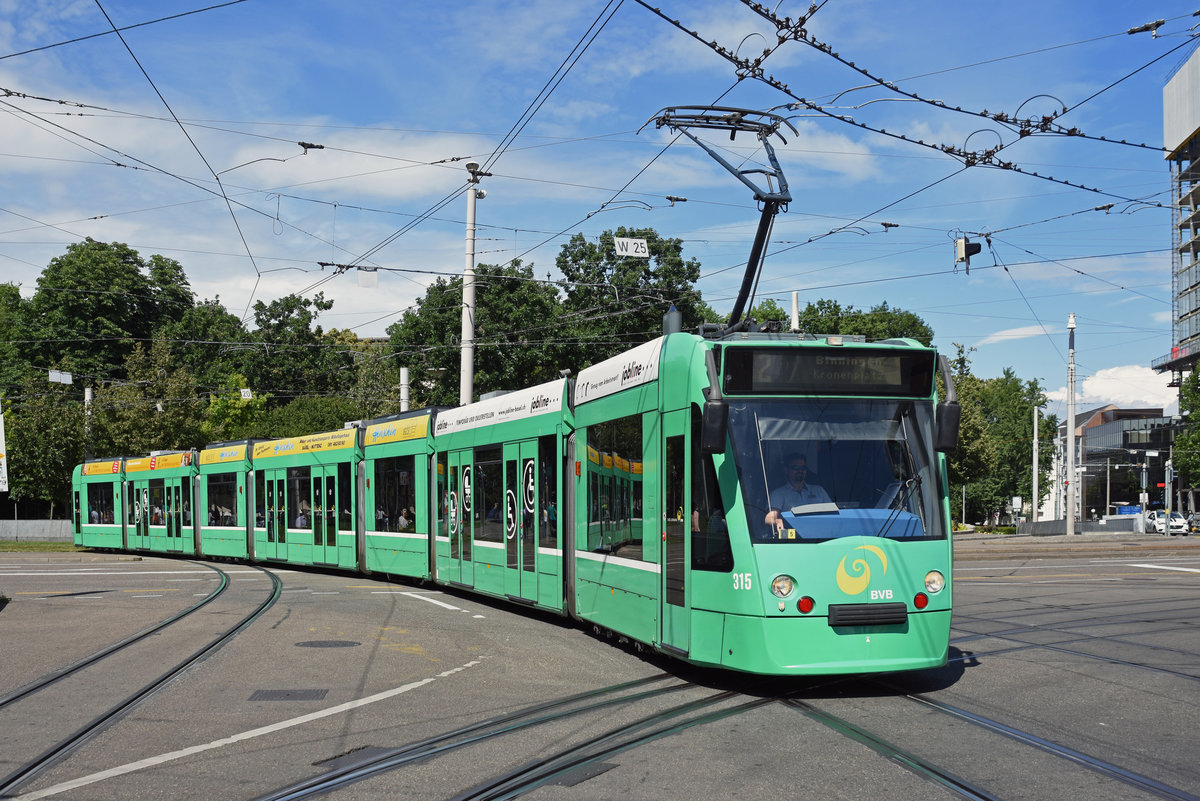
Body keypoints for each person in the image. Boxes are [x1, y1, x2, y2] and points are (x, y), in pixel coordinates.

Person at [764, 454, 832, 533]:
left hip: (820, 535)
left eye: (803, 468)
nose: (800, 471)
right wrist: (777, 521)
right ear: (786, 470)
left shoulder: (819, 490)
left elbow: (832, 514)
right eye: (795, 468)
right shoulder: (778, 493)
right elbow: (769, 518)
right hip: (792, 538)